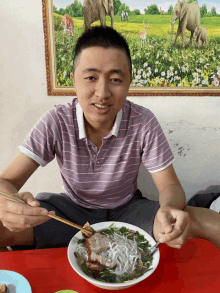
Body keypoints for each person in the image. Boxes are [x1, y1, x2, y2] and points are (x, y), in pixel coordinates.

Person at [0, 26, 219, 251]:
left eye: (115, 79)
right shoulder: (56, 121)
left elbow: (170, 185)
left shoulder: (143, 121)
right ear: (74, 79)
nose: (102, 92)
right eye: (91, 77)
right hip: (71, 213)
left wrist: (170, 208)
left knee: (204, 220)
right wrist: (7, 205)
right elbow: (5, 182)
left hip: (127, 211)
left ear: (128, 82)